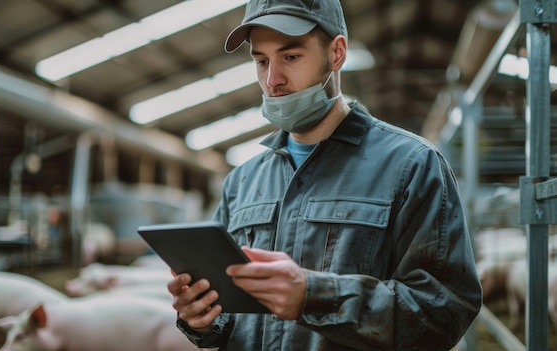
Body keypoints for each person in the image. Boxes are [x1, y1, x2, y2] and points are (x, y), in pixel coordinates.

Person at [167, 0, 482, 350]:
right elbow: (228, 322)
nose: (273, 80)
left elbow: (443, 313)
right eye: (261, 61)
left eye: (291, 57)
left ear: (336, 53)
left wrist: (314, 296)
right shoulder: (242, 182)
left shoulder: (413, 165)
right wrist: (202, 318)